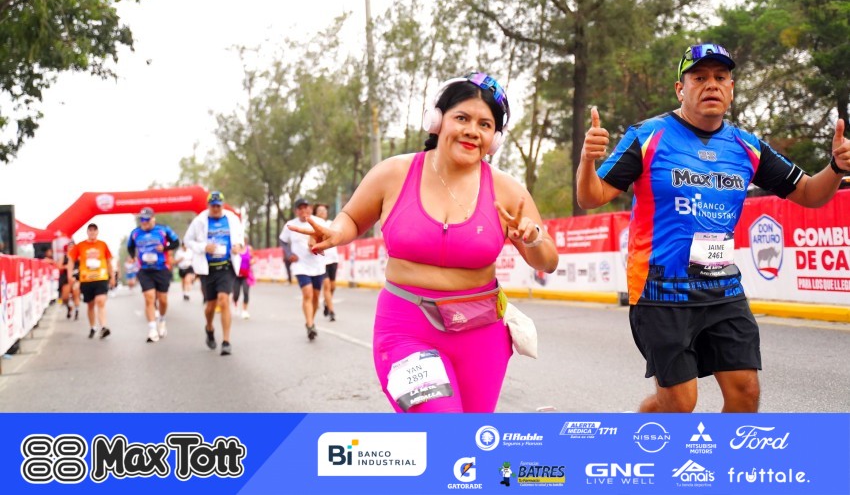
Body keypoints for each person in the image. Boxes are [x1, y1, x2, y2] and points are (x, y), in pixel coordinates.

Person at [577, 43, 850, 413]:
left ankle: (722, 453)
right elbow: (591, 197)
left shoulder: (746, 146)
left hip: (722, 288)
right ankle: (638, 435)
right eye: (700, 78)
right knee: (679, 403)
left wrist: (835, 168)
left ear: (731, 89)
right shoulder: (648, 135)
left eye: (720, 78)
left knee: (745, 392)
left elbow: (809, 194)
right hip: (661, 291)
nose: (711, 85)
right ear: (681, 89)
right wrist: (587, 160)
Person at [291, 72, 558, 412]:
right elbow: (353, 218)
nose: (472, 131)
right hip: (406, 329)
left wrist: (533, 238)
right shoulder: (393, 173)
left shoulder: (508, 190)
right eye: (462, 118)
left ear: (495, 138)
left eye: (485, 124)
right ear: (437, 120)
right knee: (441, 427)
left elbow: (548, 261)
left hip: (482, 334)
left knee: (468, 439)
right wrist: (336, 232)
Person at [184, 191, 245, 356]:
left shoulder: (232, 218)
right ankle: (209, 328)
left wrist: (238, 246)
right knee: (210, 306)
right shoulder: (199, 221)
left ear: (223, 205)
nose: (216, 209)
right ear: (208, 205)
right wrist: (203, 247)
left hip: (226, 266)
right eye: (213, 206)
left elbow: (240, 237)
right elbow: (187, 240)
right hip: (207, 268)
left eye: (218, 206)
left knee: (224, 300)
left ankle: (226, 341)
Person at [127, 207, 180, 343]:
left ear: (153, 219)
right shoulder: (135, 233)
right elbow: (130, 246)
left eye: (147, 219)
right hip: (144, 270)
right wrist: (133, 256)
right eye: (142, 220)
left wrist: (165, 248)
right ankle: (152, 329)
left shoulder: (163, 229)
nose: (144, 222)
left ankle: (162, 320)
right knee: (149, 297)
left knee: (163, 300)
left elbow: (176, 242)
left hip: (161, 268)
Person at [279, 198, 328, 341]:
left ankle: (309, 321)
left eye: (305, 207)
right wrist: (289, 254)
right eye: (300, 208)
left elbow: (328, 237)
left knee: (316, 297)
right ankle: (311, 325)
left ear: (310, 209)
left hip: (317, 265)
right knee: (307, 293)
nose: (303, 210)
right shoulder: (290, 225)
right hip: (300, 265)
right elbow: (282, 240)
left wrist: (318, 244)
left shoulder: (319, 222)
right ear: (296, 211)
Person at [66, 224, 115, 339]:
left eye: (94, 230)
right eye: (90, 230)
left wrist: (112, 276)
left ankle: (103, 327)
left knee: (100, 301)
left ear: (97, 232)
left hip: (101, 277)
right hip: (86, 279)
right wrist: (69, 275)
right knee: (90, 305)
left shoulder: (102, 245)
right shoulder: (80, 246)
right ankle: (93, 327)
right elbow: (71, 260)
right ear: (87, 232)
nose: (92, 232)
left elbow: (108, 261)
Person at [314, 203, 338, 321]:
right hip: (321, 261)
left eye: (324, 210)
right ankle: (332, 311)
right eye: (320, 210)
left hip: (333, 259)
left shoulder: (331, 224)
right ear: (316, 213)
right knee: (327, 286)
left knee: (333, 287)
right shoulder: (315, 226)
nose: (323, 212)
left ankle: (326, 303)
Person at [232, 240, 256, 319]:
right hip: (236, 275)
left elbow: (253, 258)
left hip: (246, 275)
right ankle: (235, 303)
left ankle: (245, 311)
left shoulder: (249, 248)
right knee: (236, 294)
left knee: (246, 292)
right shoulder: (235, 248)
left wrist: (252, 261)